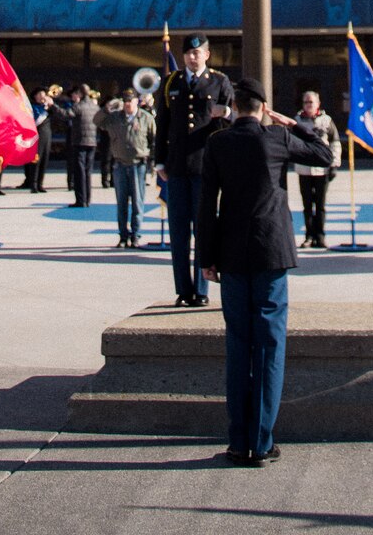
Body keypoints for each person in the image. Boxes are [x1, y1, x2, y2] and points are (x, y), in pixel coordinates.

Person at [198, 75, 332, 466]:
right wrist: (292, 123)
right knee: (270, 345)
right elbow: (323, 155)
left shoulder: (218, 142)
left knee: (238, 344)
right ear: (263, 109)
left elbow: (207, 205)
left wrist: (207, 257)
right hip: (271, 254)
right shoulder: (277, 138)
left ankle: (238, 442)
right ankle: (262, 440)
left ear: (235, 107)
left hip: (232, 256)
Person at [156, 35, 233, 307]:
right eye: (188, 52)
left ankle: (201, 289)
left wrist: (225, 112)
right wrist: (159, 161)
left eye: (197, 52)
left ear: (207, 55)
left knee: (203, 229)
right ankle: (183, 288)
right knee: (178, 231)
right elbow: (162, 124)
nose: (192, 57)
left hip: (205, 166)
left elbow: (232, 121)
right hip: (176, 167)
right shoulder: (171, 83)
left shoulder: (219, 82)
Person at [97, 88, 156, 247]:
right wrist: (107, 108)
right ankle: (123, 236)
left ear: (137, 101)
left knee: (138, 202)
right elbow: (97, 121)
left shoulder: (146, 118)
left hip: (138, 164)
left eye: (131, 100)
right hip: (120, 164)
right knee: (121, 202)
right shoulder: (115, 117)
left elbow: (154, 140)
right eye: (126, 101)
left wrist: (155, 163)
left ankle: (135, 235)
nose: (128, 104)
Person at [294, 91, 340, 249]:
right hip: (304, 169)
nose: (308, 105)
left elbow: (335, 142)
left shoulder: (326, 121)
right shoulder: (297, 121)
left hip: (322, 169)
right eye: (306, 102)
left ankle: (320, 236)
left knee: (320, 205)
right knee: (307, 205)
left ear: (318, 104)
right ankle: (308, 236)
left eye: (311, 102)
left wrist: (334, 164)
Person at [64, 85, 100, 207]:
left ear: (80, 93)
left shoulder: (79, 106)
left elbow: (65, 114)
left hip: (80, 142)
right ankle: (87, 199)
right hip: (92, 142)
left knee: (79, 172)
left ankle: (81, 200)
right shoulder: (94, 106)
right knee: (88, 172)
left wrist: (53, 106)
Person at [21, 90, 53, 192]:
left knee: (44, 160)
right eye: (39, 94)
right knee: (36, 160)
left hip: (46, 136)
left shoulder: (49, 107)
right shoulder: (33, 107)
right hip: (36, 137)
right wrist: (45, 108)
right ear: (35, 96)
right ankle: (33, 184)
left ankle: (40, 183)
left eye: (43, 94)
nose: (42, 96)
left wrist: (51, 105)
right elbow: (35, 120)